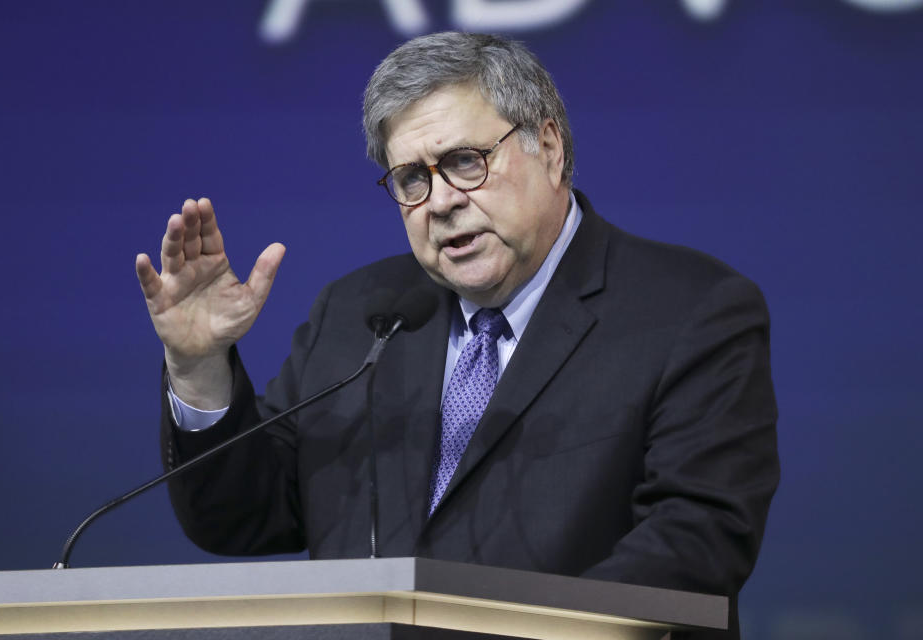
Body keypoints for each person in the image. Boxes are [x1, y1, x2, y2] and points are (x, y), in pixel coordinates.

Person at [136, 32, 778, 640]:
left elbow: (697, 541)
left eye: (465, 162)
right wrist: (198, 365)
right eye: (412, 179)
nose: (440, 200)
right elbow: (245, 517)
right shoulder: (361, 313)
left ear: (548, 148)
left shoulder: (688, 309)